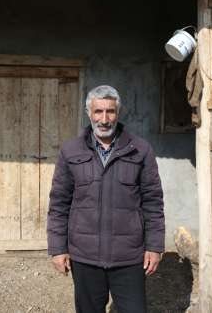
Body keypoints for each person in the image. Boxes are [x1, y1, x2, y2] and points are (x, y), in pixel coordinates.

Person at [47, 85, 165, 313]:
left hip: (129, 256)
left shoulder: (140, 150)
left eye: (110, 111)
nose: (104, 119)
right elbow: (59, 204)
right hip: (85, 255)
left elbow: (153, 202)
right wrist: (58, 248)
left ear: (118, 113)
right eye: (98, 111)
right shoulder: (71, 151)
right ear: (88, 113)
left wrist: (154, 246)